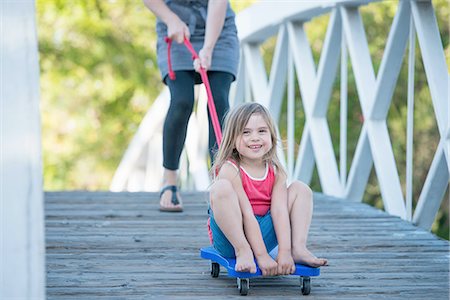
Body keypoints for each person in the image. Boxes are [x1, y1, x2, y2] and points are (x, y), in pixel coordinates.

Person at [208, 103, 328, 276]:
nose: (255, 138)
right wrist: (262, 256)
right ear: (233, 140)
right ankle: (244, 251)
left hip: (263, 233)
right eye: (246, 132)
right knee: (221, 188)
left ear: (271, 136)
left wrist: (284, 252)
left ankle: (298, 249)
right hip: (231, 238)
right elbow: (247, 214)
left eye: (262, 131)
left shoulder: (276, 171)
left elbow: (279, 212)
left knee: (300, 189)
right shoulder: (230, 169)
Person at [143, 0, 239, 212]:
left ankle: (221, 185)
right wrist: (171, 19)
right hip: (174, 27)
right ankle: (170, 180)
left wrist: (208, 47)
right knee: (182, 101)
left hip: (219, 29)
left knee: (219, 100)